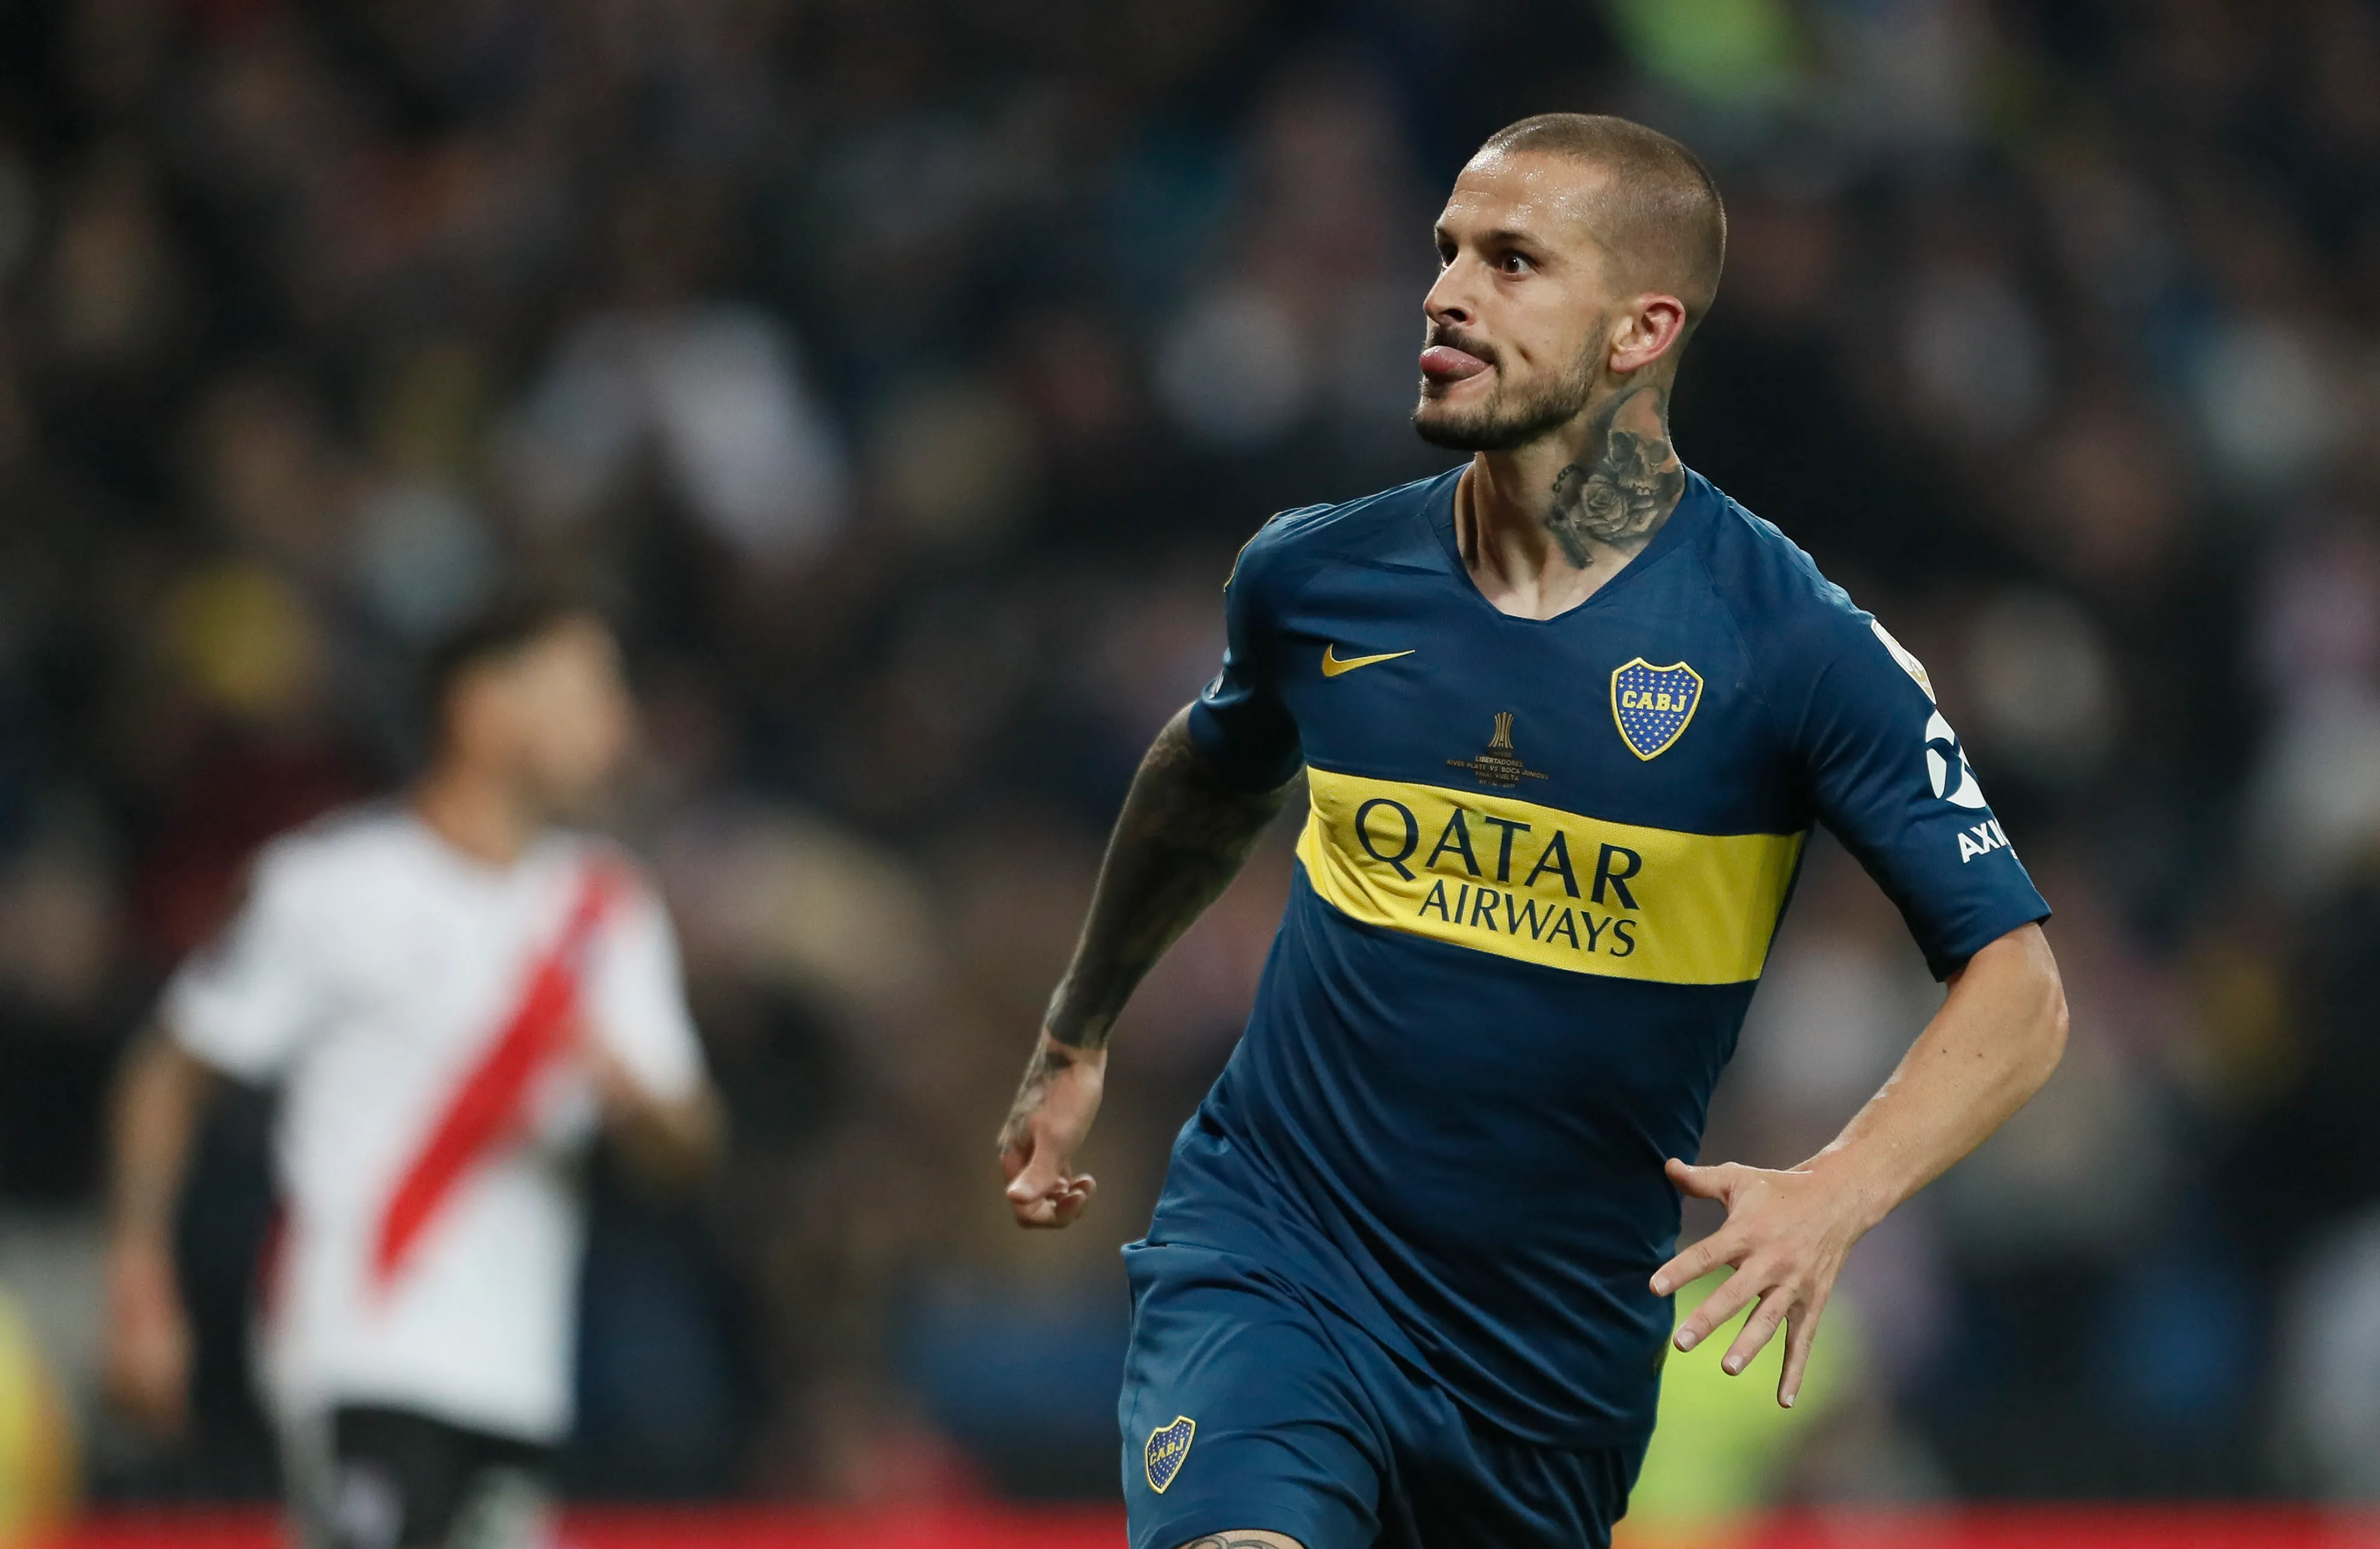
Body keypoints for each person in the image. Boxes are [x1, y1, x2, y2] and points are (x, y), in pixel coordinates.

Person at [997, 113, 2068, 1549]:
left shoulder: (1797, 648)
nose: (1444, 292)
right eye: (1446, 251)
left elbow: (2020, 988)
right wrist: (1078, 1029)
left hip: (1542, 1368)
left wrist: (1837, 1191)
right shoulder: (1317, 575)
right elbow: (1207, 775)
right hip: (1277, 1256)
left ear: (1641, 329)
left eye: (1510, 262)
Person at [103, 592, 721, 1549]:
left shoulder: (608, 910)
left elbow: (690, 1147)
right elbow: (171, 1070)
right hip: (361, 1345)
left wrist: (637, 1103)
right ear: (481, 707)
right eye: (584, 689)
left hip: (517, 1370)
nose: (614, 721)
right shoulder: (331, 884)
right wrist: (141, 1281)